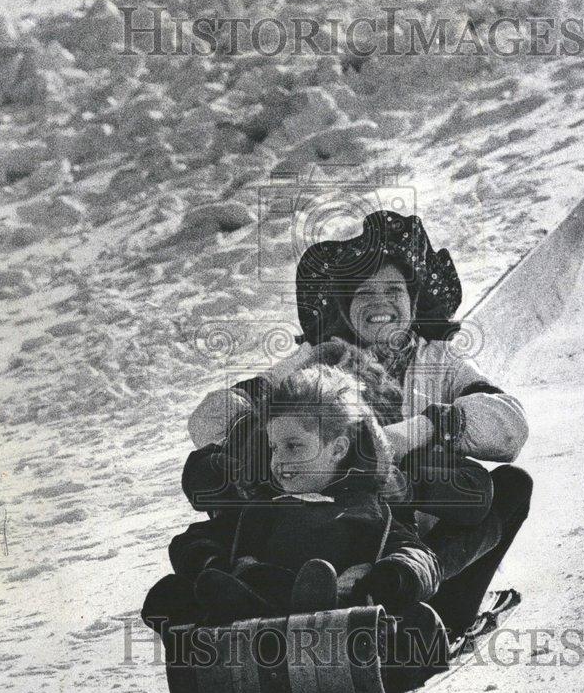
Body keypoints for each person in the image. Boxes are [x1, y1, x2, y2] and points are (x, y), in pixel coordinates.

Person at [186, 210, 533, 642]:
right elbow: (207, 420)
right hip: (328, 528)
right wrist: (261, 431)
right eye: (364, 292)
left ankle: (429, 601)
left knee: (509, 486)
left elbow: (511, 425)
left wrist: (419, 431)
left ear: (413, 299)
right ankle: (262, 591)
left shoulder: (438, 361)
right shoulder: (318, 357)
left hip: (412, 529)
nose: (380, 303)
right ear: (345, 307)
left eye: (393, 290)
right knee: (220, 473)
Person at [144, 363, 450, 690]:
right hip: (260, 612)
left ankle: (321, 614)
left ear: (338, 449)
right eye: (274, 448)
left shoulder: (369, 508)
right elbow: (192, 541)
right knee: (168, 596)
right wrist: (215, 564)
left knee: (424, 629)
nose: (279, 461)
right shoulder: (262, 506)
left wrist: (386, 577)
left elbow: (419, 555)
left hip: (345, 620)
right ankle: (232, 632)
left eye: (294, 446)